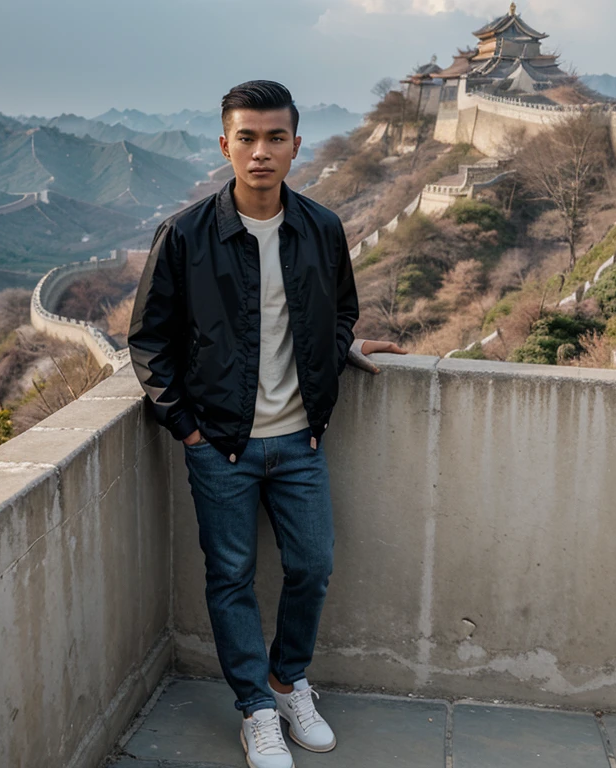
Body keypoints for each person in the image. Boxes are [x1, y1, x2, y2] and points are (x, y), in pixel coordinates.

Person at [128, 80, 403, 768]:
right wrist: (187, 429)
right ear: (225, 144)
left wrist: (340, 352)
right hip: (219, 446)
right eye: (246, 137)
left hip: (299, 441)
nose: (260, 152)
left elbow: (337, 312)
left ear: (295, 146)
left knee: (312, 566)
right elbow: (149, 343)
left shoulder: (321, 228)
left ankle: (287, 682)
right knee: (231, 577)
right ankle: (255, 709)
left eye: (274, 137)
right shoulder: (186, 235)